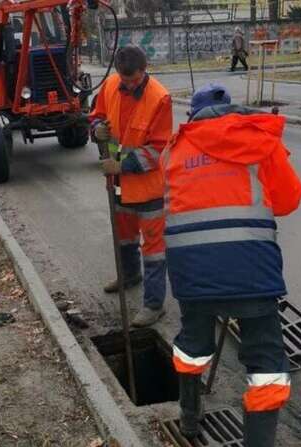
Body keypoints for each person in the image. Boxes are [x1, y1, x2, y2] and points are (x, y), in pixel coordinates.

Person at [162, 83, 301, 447]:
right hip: (252, 274)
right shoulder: (260, 142)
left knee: (192, 349)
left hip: (192, 277)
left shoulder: (173, 151)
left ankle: (189, 419)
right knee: (266, 365)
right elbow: (289, 200)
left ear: (192, 117)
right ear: (234, 111)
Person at [90, 45, 173, 327]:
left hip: (147, 187)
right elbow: (97, 116)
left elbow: (157, 148)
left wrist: (121, 165)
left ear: (144, 69)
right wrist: (96, 129)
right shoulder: (111, 85)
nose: (129, 85)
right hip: (117, 184)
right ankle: (129, 275)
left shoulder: (159, 98)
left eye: (134, 80)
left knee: (154, 250)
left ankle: (153, 305)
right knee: (124, 238)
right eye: (125, 81)